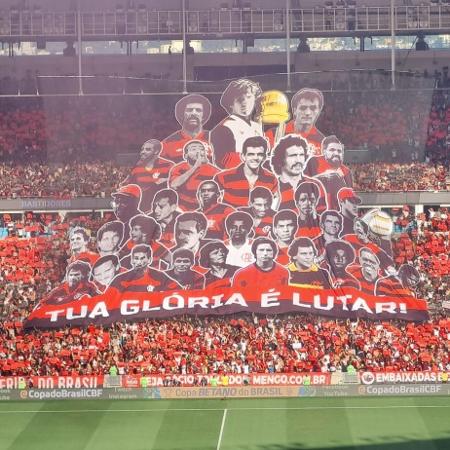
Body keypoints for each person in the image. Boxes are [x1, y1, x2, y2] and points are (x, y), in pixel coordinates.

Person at [211, 78, 263, 169]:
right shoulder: (224, 127)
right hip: (235, 177)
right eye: (240, 99)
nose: (245, 103)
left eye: (249, 97)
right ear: (231, 103)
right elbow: (224, 161)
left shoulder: (257, 126)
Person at [214, 135, 278, 209]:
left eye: (259, 154)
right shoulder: (223, 177)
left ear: (264, 157)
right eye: (251, 154)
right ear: (243, 156)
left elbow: (275, 201)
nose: (255, 158)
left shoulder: (271, 179)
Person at [271, 134, 327, 212]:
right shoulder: (272, 187)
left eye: (301, 155)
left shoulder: (315, 185)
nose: (298, 160)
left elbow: (322, 216)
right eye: (293, 155)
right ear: (280, 159)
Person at [266, 88, 325, 155]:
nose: (308, 112)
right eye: (303, 108)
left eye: (313, 108)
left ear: (319, 111)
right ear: (294, 111)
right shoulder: (272, 135)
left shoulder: (322, 142)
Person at [123, 139, 173, 211]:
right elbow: (127, 186)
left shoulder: (168, 165)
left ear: (156, 151)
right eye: (142, 149)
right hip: (142, 210)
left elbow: (177, 182)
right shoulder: (136, 169)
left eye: (147, 149)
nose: (143, 152)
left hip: (162, 210)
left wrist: (166, 180)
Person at [169, 140, 219, 211]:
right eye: (194, 149)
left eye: (201, 149)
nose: (198, 151)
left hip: (207, 209)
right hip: (182, 208)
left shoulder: (213, 170)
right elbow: (174, 184)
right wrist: (195, 167)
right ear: (185, 155)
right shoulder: (178, 168)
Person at [304, 135, 352, 210]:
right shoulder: (314, 161)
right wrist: (328, 176)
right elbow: (303, 183)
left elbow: (350, 196)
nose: (336, 153)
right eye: (332, 150)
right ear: (324, 151)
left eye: (339, 151)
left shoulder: (346, 171)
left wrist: (341, 182)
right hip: (315, 209)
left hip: (336, 213)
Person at [162, 94, 212, 163]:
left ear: (203, 115)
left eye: (198, 110)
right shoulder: (167, 144)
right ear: (182, 114)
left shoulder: (214, 139)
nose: (193, 113)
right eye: (189, 110)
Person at [109, 244, 180, 293]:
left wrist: (156, 290)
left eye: (142, 258)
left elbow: (177, 290)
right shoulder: (120, 279)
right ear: (131, 260)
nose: (139, 262)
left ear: (149, 260)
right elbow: (109, 297)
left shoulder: (160, 276)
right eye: (136, 258)